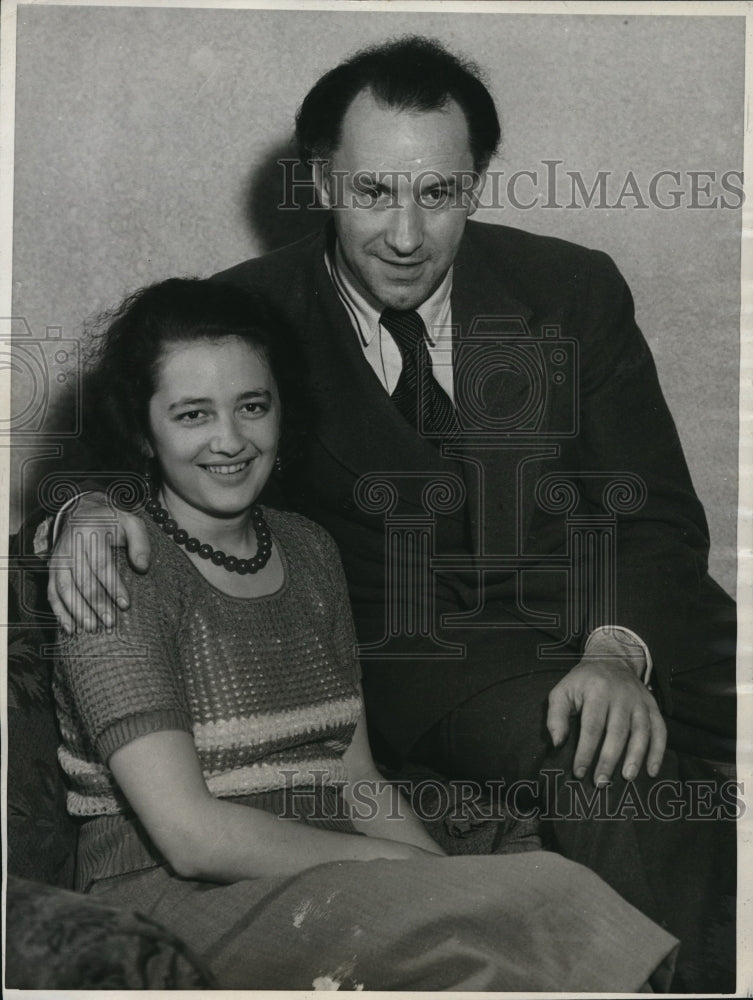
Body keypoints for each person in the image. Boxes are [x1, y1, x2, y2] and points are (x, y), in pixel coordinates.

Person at [43, 37, 735, 990]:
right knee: (621, 777)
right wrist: (85, 509)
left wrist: (617, 647)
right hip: (441, 661)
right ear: (321, 181)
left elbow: (655, 515)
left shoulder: (572, 289)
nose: (405, 234)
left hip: (622, 618)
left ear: (476, 183)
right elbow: (120, 436)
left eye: (437, 194)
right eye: (372, 193)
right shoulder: (252, 308)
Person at [51, 275, 680, 991]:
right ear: (142, 428)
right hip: (172, 896)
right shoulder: (110, 567)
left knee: (551, 903)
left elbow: (357, 781)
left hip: (323, 870)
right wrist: (413, 877)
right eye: (192, 414)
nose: (230, 440)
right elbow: (189, 837)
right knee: (511, 927)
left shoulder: (309, 549)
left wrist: (448, 880)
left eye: (252, 406)